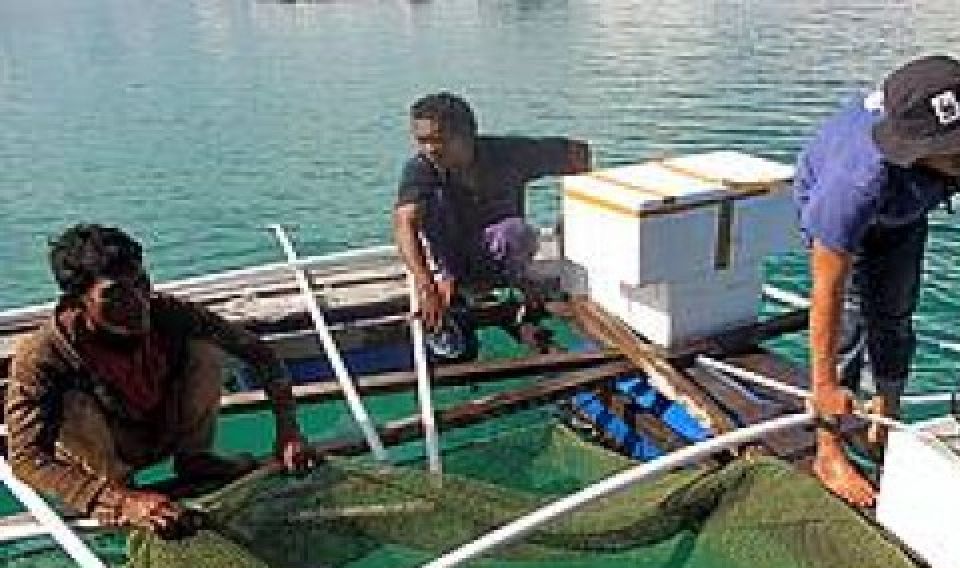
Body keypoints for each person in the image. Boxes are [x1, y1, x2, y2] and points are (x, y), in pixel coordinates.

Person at [794, 54, 960, 507]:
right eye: (955, 150)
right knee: (848, 323)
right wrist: (823, 386)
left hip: (906, 210)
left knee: (895, 312)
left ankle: (885, 417)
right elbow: (827, 287)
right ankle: (828, 451)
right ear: (913, 148)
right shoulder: (856, 180)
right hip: (836, 202)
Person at [4, 224, 319, 537]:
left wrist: (289, 432)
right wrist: (118, 501)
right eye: (115, 294)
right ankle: (119, 487)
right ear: (77, 301)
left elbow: (260, 354)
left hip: (162, 427)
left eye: (141, 283)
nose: (138, 302)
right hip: (106, 454)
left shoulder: (168, 312)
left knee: (204, 348)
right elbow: (26, 458)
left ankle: (195, 458)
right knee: (71, 398)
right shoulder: (43, 356)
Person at [392, 92, 590, 339]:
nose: (430, 149)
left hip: (504, 254)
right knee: (430, 202)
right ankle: (457, 281)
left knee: (516, 232)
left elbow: (578, 153)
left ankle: (512, 283)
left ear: (468, 134)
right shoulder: (422, 169)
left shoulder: (509, 154)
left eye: (439, 140)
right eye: (422, 141)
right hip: (453, 260)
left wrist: (568, 224)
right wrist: (426, 286)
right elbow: (404, 223)